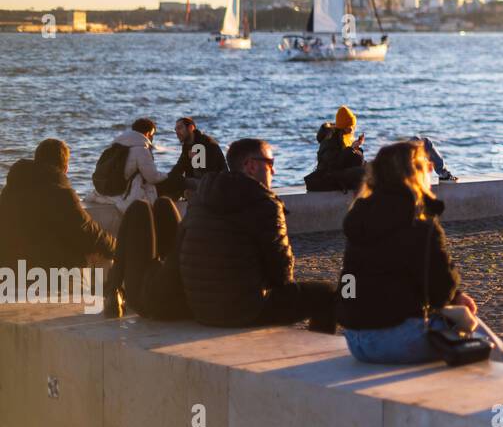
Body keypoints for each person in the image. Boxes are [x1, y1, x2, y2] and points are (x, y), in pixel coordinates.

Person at [337, 141, 477, 363]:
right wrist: (458, 296)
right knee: (470, 326)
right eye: (425, 165)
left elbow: (348, 281)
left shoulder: (358, 220)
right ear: (415, 173)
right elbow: (441, 291)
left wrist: (351, 314)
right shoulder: (420, 226)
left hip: (356, 340)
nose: (430, 169)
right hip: (398, 341)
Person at [180, 138, 336, 331]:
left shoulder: (201, 198)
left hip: (200, 308)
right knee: (327, 293)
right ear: (251, 166)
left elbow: (180, 251)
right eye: (270, 164)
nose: (274, 171)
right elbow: (282, 275)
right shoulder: (264, 204)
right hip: (244, 311)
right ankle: (315, 358)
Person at [0, 138, 116, 275]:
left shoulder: (10, 190)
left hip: (8, 273)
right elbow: (90, 234)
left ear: (36, 160)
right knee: (105, 256)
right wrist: (118, 247)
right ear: (65, 169)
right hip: (49, 277)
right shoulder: (62, 194)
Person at [102, 197, 189, 320]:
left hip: (156, 305)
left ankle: (113, 289)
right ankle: (113, 289)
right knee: (164, 204)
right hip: (189, 302)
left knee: (139, 208)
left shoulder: (197, 212)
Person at [91, 118, 169, 212]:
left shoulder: (116, 144)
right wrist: (168, 175)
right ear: (147, 133)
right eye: (152, 135)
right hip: (125, 192)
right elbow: (152, 177)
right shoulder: (141, 149)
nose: (151, 138)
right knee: (172, 183)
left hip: (108, 189)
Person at [157, 117, 227, 200]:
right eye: (175, 129)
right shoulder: (188, 144)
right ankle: (165, 203)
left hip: (212, 186)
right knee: (170, 180)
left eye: (180, 128)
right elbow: (179, 168)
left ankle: (166, 204)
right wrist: (162, 177)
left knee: (178, 181)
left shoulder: (204, 143)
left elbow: (207, 174)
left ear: (191, 128)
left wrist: (194, 159)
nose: (177, 132)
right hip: (201, 182)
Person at [304, 106, 366, 192]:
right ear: (343, 127)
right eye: (350, 126)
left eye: (353, 125)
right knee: (361, 173)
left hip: (338, 173)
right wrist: (351, 149)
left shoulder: (345, 138)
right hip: (327, 176)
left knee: (369, 169)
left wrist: (356, 148)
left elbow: (351, 159)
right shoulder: (330, 139)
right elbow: (333, 163)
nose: (352, 129)